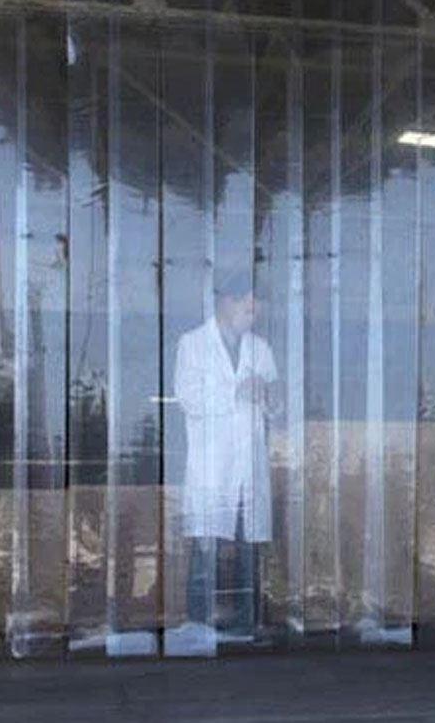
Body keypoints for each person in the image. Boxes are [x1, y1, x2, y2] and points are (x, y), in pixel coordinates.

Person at [166, 270, 279, 655]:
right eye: (248, 307)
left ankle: (246, 624)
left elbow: (276, 409)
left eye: (257, 309)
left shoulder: (260, 348)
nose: (253, 315)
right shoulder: (193, 344)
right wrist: (236, 392)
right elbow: (188, 398)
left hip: (249, 465)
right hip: (213, 466)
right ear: (226, 302)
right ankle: (199, 623)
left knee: (249, 548)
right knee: (206, 547)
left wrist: (269, 395)